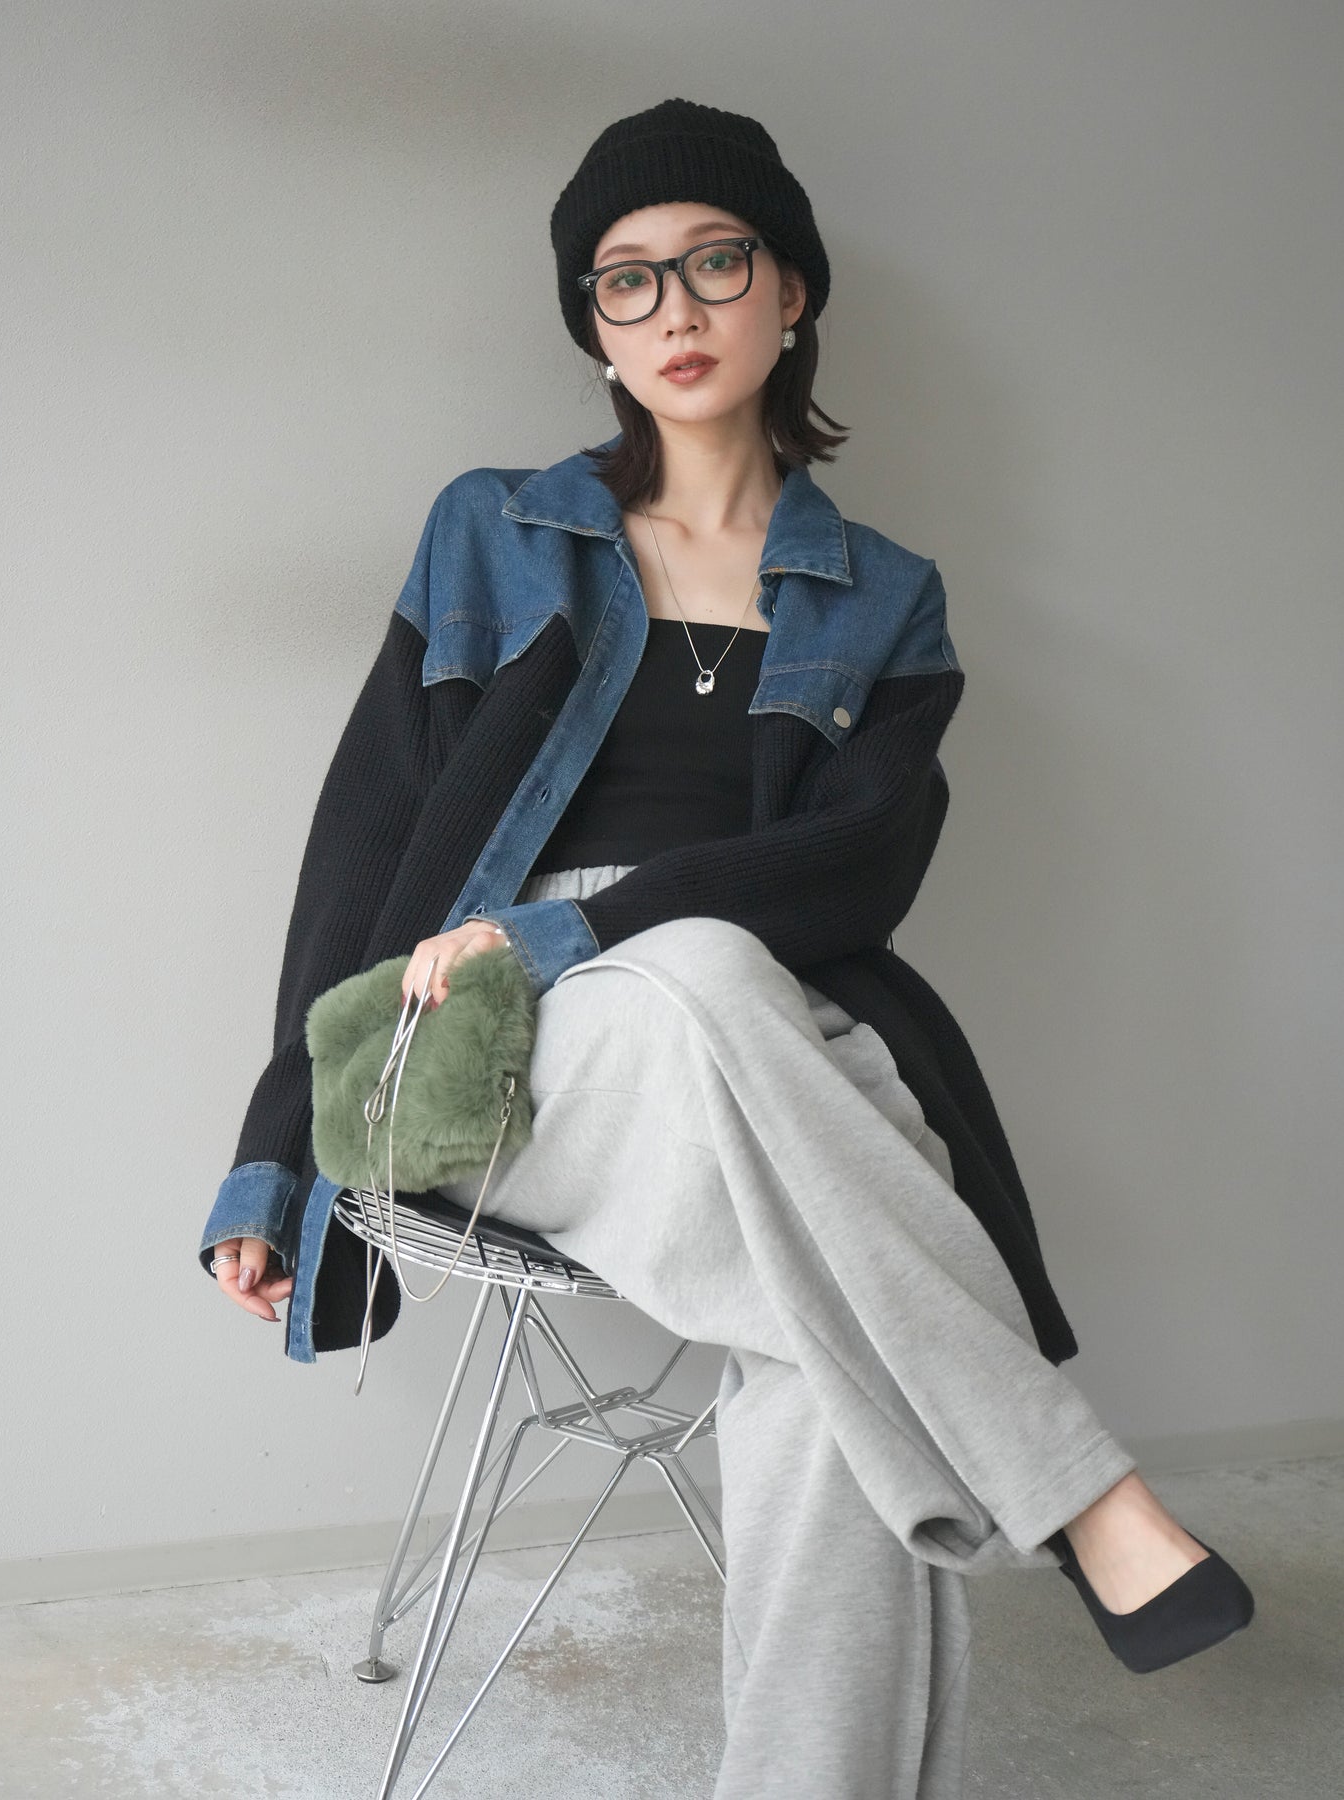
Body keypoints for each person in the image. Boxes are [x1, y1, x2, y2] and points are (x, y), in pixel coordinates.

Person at [199, 98, 1254, 1798]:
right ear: (593, 325)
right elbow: (363, 844)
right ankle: (1076, 1490)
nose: (672, 311)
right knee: (697, 967)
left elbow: (861, 868)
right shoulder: (495, 531)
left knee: (819, 1355)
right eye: (624, 281)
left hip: (762, 1049)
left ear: (790, 292)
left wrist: (599, 920)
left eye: (713, 263)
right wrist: (270, 1150)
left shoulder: (882, 594)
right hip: (486, 1041)